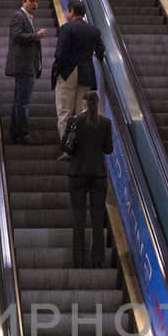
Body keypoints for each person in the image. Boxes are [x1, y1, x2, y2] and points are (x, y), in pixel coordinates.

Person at [66, 91, 114, 269]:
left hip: (77, 174)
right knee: (97, 218)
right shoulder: (105, 123)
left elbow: (67, 146)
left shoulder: (75, 121)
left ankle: (78, 260)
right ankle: (98, 260)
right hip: (98, 175)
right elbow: (108, 149)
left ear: (84, 103)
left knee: (78, 219)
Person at [51, 0, 105, 143]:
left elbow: (59, 54)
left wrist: (59, 69)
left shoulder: (67, 28)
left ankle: (66, 147)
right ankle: (80, 146)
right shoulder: (94, 31)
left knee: (65, 112)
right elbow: (101, 51)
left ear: (72, 12)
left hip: (68, 72)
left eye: (68, 11)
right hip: (86, 73)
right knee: (82, 113)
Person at [5, 0, 48, 144]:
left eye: (36, 1)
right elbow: (16, 36)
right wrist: (36, 35)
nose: (35, 4)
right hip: (23, 66)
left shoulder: (28, 18)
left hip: (27, 65)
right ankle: (23, 134)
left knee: (19, 101)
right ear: (23, 2)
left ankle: (15, 133)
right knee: (23, 102)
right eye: (31, 1)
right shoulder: (19, 16)